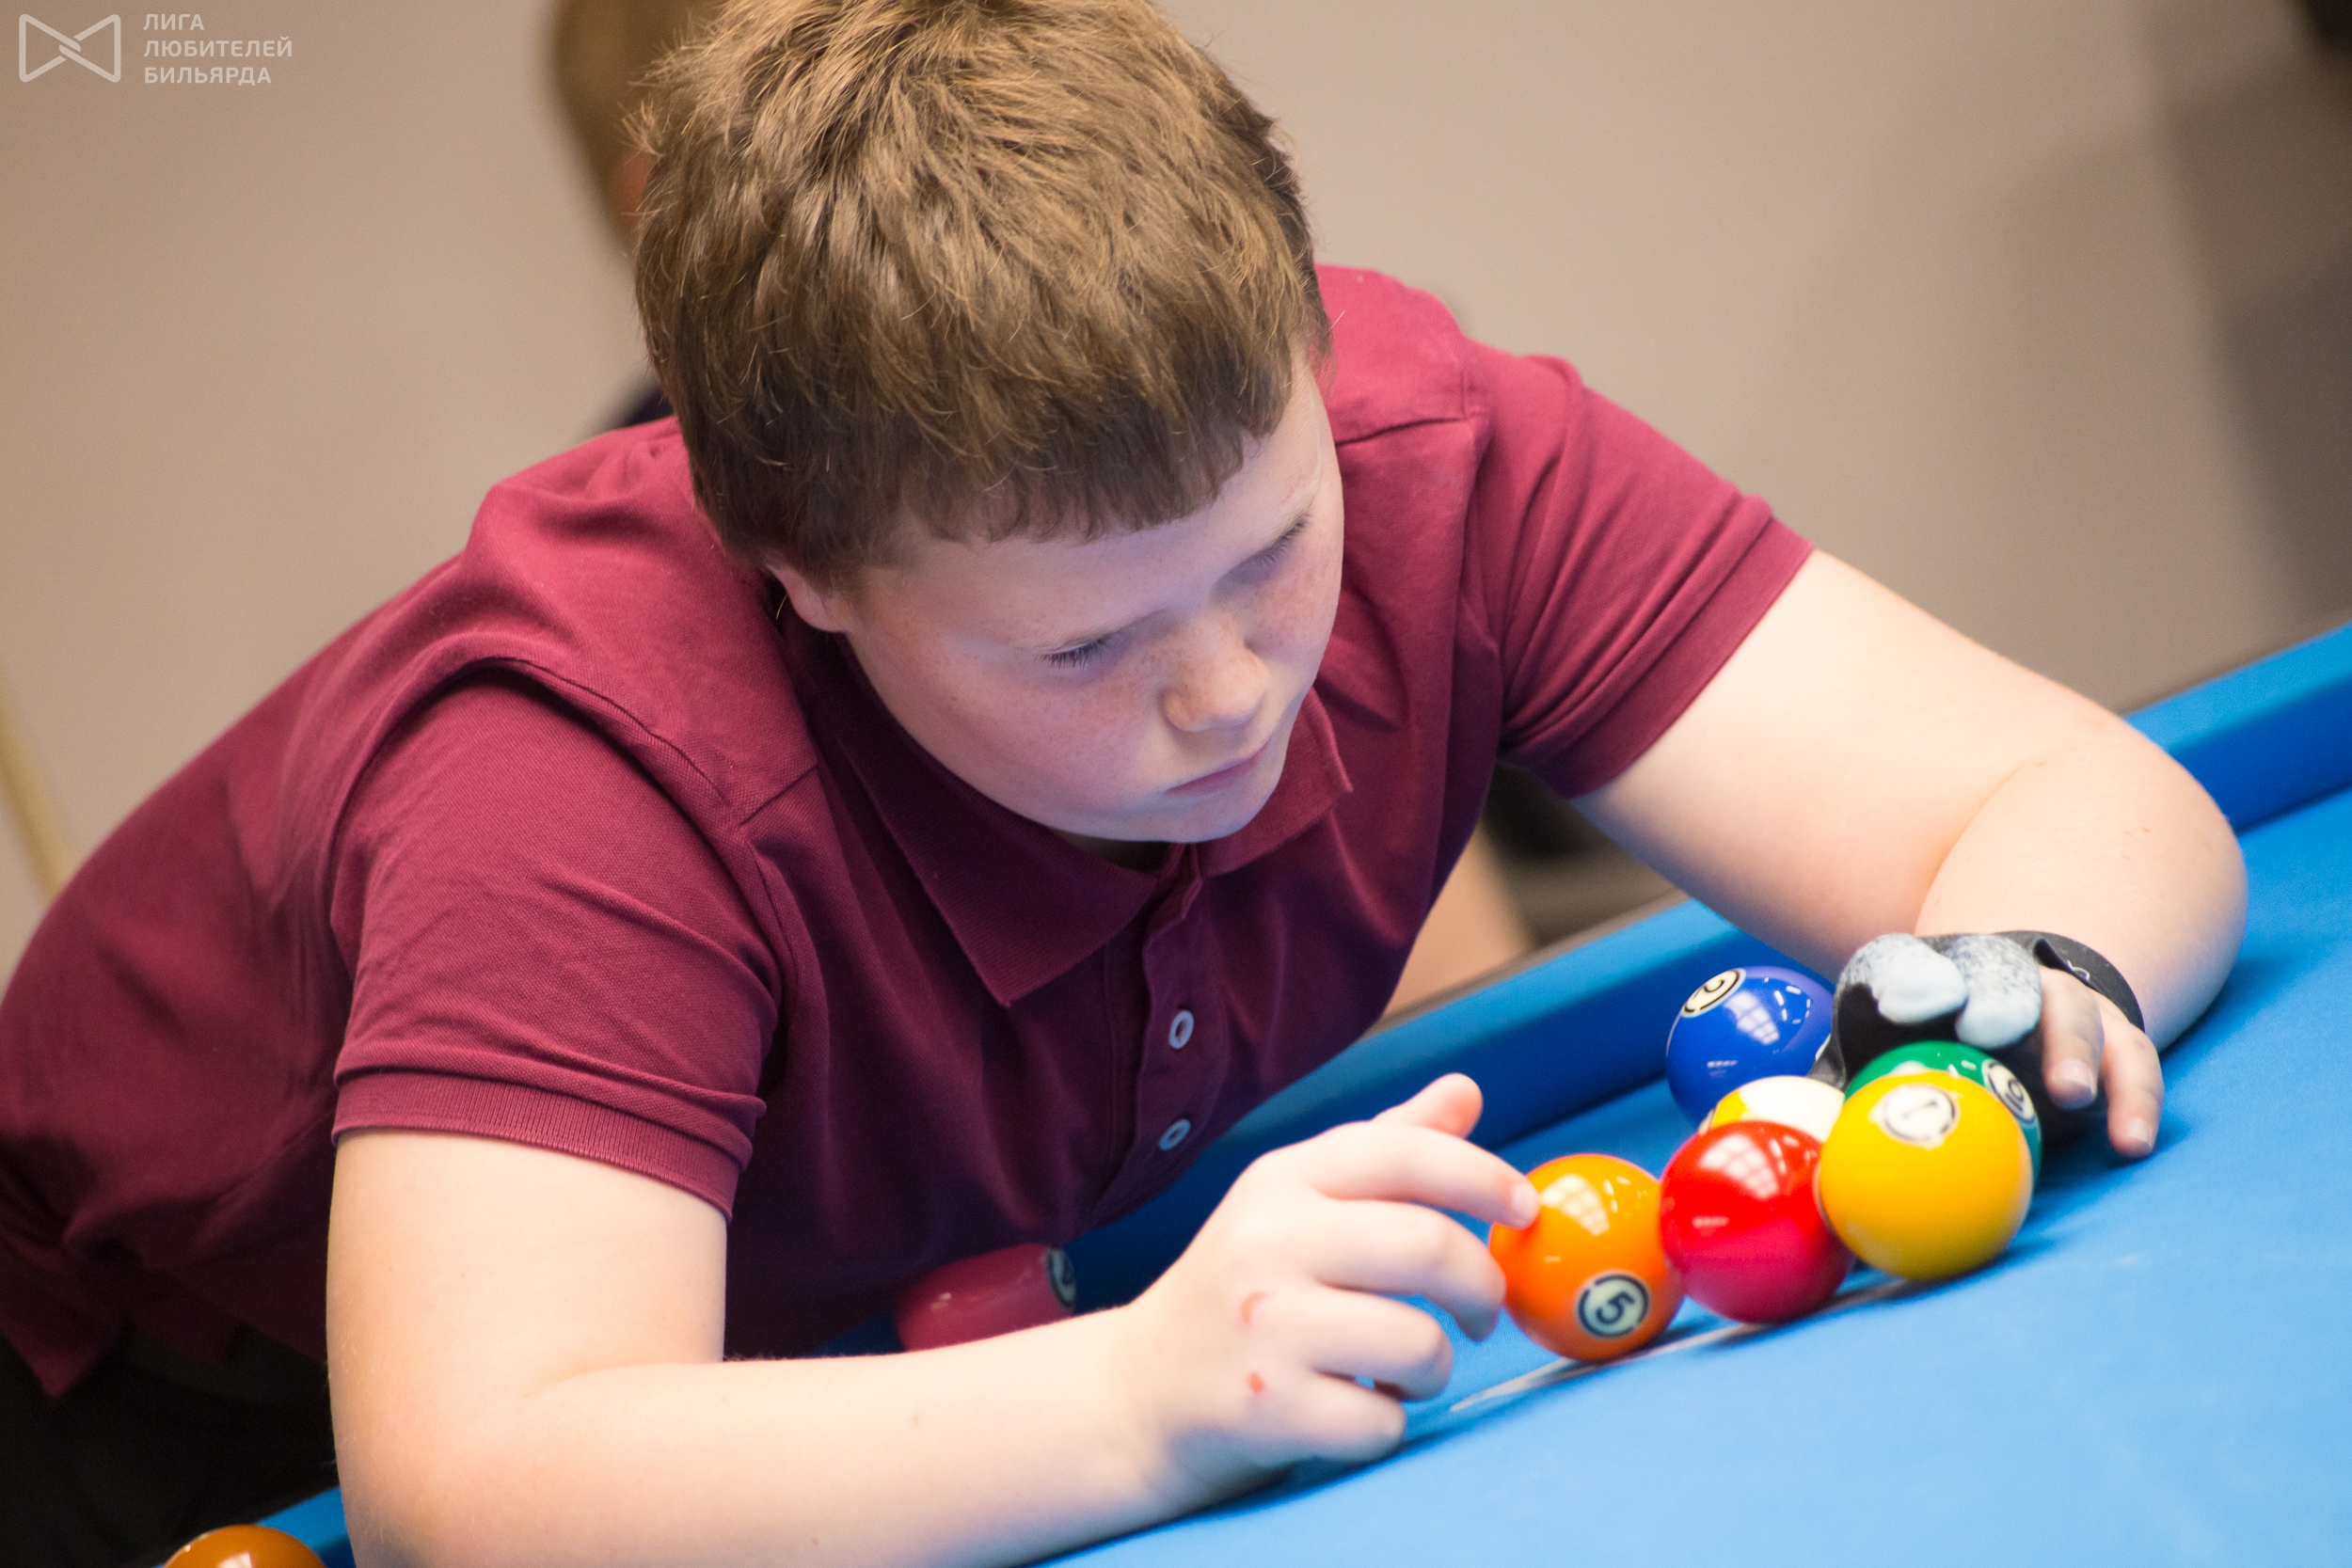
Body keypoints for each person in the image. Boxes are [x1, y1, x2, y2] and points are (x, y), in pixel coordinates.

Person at [0, 2, 2245, 1565]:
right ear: (801, 576)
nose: (1228, 695)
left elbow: (2059, 791)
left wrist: (2012, 993)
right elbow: (480, 1494)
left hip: (819, 1313)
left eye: (1272, 553)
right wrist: (1138, 1397)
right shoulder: (581, 774)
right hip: (170, 1424)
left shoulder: (1428, 453)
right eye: (1080, 645)